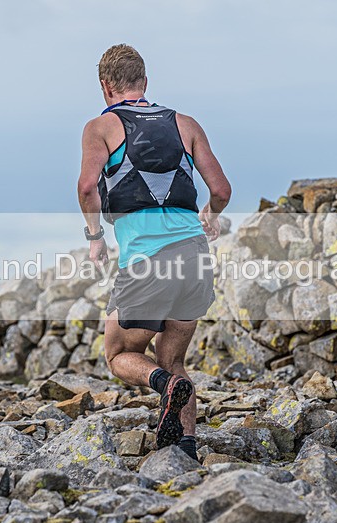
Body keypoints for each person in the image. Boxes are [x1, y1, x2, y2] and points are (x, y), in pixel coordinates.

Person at [76, 44, 231, 461]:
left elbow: (88, 187)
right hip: (196, 257)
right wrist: (211, 217)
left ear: (105, 85)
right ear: (145, 82)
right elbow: (221, 190)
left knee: (120, 353)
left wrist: (95, 237)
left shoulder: (101, 127)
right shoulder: (186, 123)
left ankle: (164, 387)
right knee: (174, 359)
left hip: (147, 261)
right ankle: (186, 447)